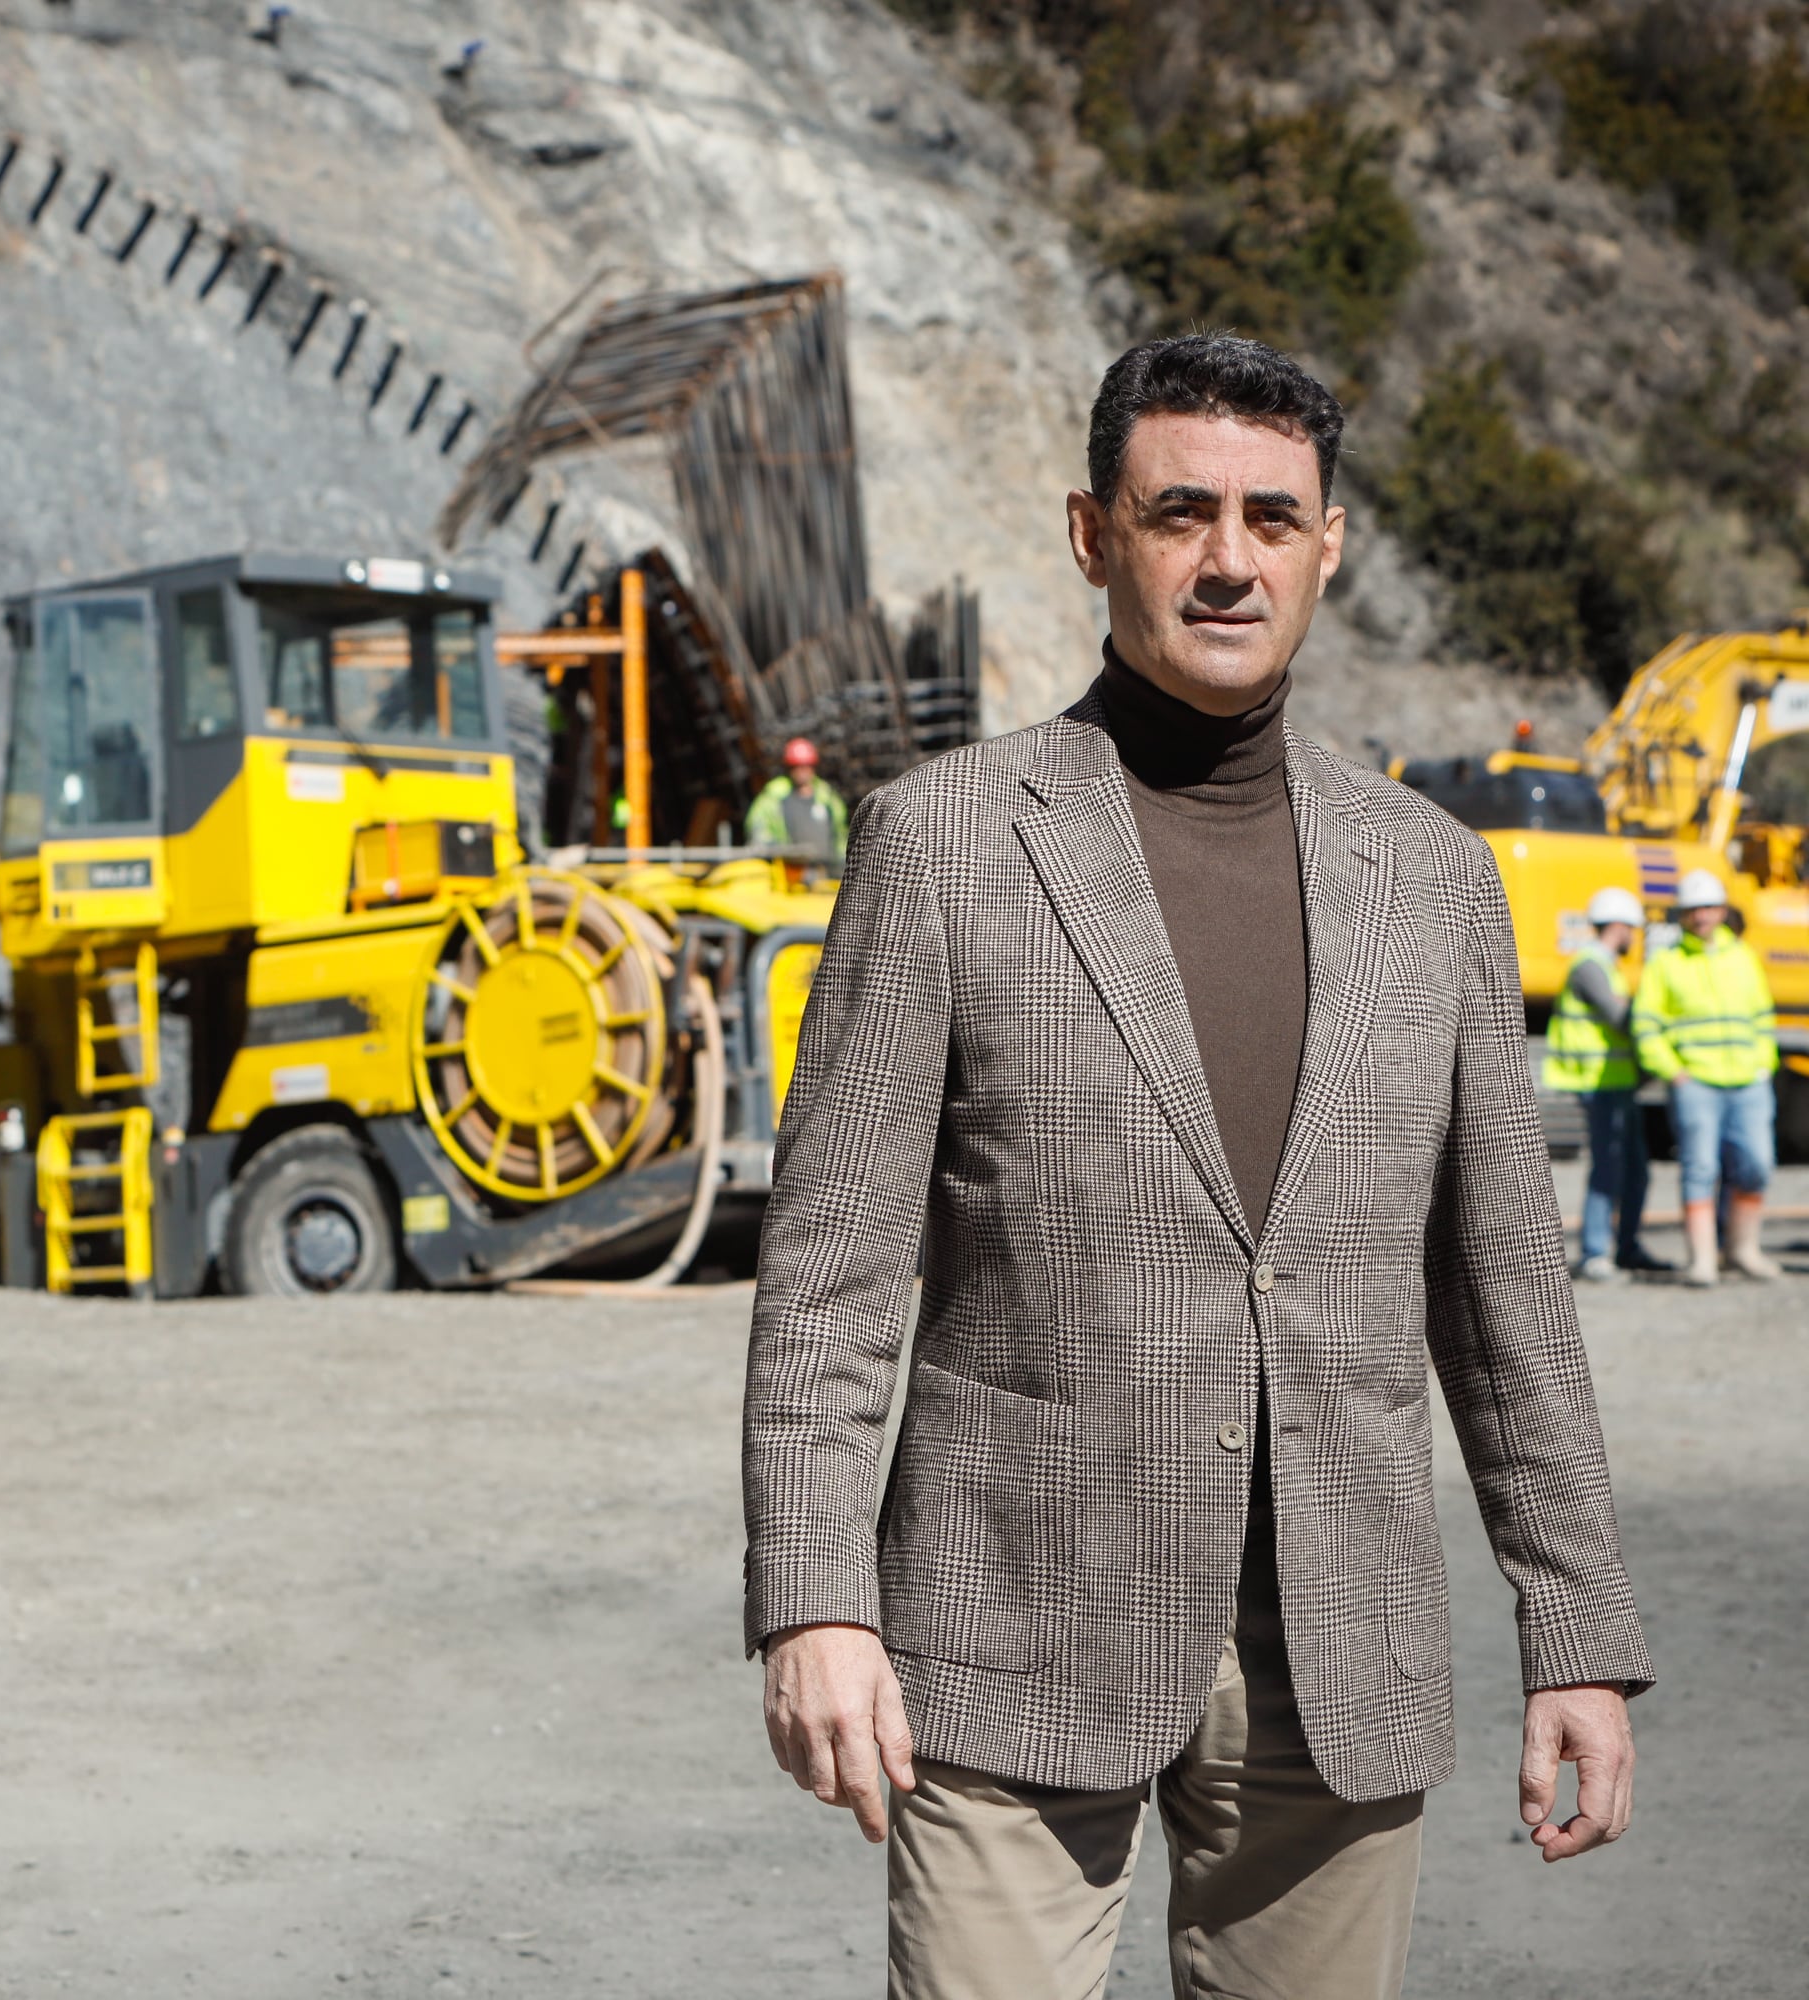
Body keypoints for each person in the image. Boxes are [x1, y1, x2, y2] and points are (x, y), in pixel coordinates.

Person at [745, 332, 1649, 2000]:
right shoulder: (942, 842)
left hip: (1341, 1649)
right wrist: (815, 1604)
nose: (1230, 559)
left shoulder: (1435, 880)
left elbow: (1505, 1288)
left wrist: (1574, 1629)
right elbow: (829, 1277)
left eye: (1271, 518)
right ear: (1095, 537)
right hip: (1010, 1627)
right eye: (1181, 514)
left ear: (1329, 545)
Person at [1632, 868, 1782, 1286]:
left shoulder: (1743, 957)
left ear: (1721, 911)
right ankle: (1702, 1260)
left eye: (1708, 908)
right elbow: (1647, 1025)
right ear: (1683, 916)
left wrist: (1761, 1064)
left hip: (1748, 1083)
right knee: (1700, 1167)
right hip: (1696, 1083)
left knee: (1757, 1165)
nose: (1701, 917)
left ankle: (1742, 1250)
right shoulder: (1666, 964)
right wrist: (1673, 1073)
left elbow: (1761, 1017)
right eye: (1693, 910)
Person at [1543, 886, 1665, 1283]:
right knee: (1608, 1169)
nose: (1634, 935)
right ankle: (1596, 1253)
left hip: (1619, 1083)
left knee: (1635, 1171)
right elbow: (1619, 1016)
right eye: (1632, 927)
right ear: (1618, 925)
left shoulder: (1605, 964)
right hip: (1598, 1084)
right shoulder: (1590, 965)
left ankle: (1627, 1247)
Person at [746, 736, 847, 854]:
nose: (801, 771)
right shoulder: (774, 797)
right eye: (796, 767)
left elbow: (840, 835)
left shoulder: (827, 798)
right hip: (788, 869)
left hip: (826, 869)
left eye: (805, 766)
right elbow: (758, 829)